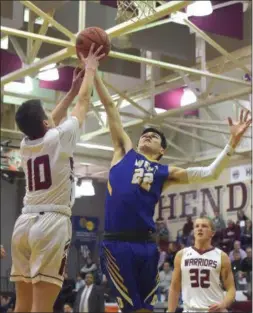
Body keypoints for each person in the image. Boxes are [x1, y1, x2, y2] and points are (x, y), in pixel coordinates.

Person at [95, 67, 252, 313]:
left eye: (154, 136)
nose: (147, 136)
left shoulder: (166, 172)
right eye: (144, 135)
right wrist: (94, 72)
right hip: (118, 242)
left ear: (162, 150)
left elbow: (210, 172)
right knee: (130, 309)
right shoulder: (124, 153)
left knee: (146, 308)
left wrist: (232, 143)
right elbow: (111, 108)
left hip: (147, 244)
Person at [10, 44, 105, 313]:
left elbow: (49, 120)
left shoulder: (26, 143)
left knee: (22, 306)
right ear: (44, 123)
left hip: (24, 224)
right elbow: (85, 102)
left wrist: (70, 91)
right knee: (42, 307)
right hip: (51, 223)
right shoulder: (60, 138)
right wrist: (90, 70)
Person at [168, 217, 236, 312]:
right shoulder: (181, 255)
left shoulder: (222, 256)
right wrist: (170, 311)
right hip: (190, 310)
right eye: (197, 226)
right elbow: (174, 288)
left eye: (204, 226)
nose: (200, 228)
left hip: (214, 310)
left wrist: (223, 304)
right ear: (193, 231)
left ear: (212, 233)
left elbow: (231, 289)